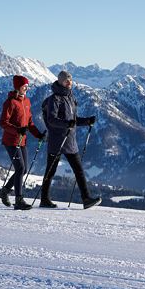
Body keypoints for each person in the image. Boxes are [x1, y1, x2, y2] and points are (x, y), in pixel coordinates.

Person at [41, 70, 101, 210]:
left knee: (79, 170)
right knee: (51, 171)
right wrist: (67, 124)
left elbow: (72, 120)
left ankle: (86, 199)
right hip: (57, 140)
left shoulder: (70, 97)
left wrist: (86, 121)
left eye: (70, 80)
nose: (69, 83)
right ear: (60, 81)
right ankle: (44, 199)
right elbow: (51, 120)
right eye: (66, 81)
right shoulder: (55, 99)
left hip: (69, 140)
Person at [0, 75, 46, 210]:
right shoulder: (10, 102)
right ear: (18, 87)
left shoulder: (26, 102)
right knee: (20, 168)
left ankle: (4, 191)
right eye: (24, 86)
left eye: (27, 86)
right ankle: (19, 200)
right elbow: (3, 123)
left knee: (22, 170)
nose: (26, 88)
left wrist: (39, 135)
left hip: (22, 140)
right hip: (11, 140)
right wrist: (17, 130)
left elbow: (29, 123)